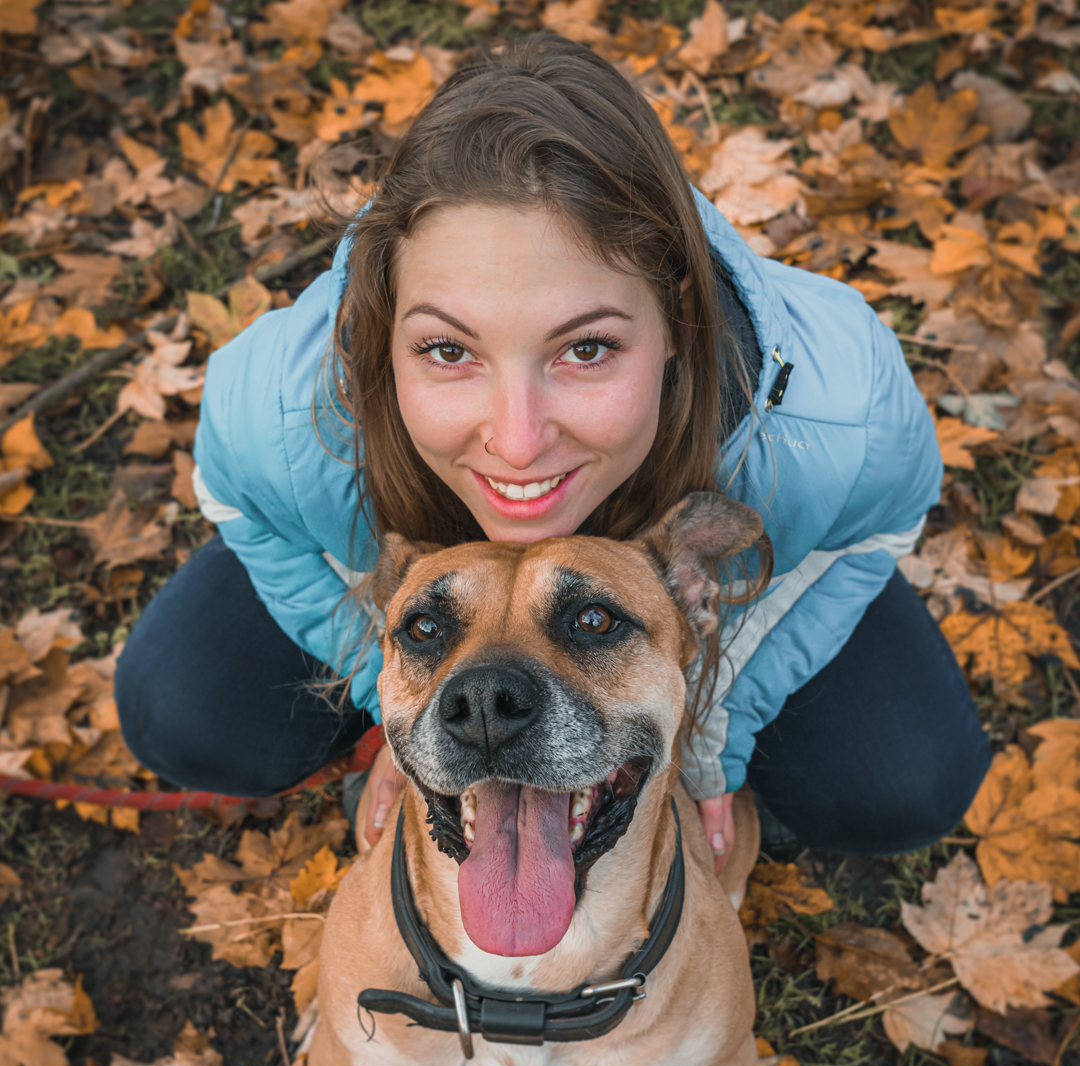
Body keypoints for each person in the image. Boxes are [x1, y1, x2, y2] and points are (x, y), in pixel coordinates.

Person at [116, 33, 990, 868]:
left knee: (901, 785)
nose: (519, 440)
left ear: (682, 318)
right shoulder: (280, 406)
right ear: (386, 328)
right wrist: (411, 708)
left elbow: (875, 530)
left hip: (720, 576)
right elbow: (243, 509)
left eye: (586, 349)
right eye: (449, 350)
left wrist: (713, 730)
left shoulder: (836, 414)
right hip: (372, 539)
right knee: (186, 714)